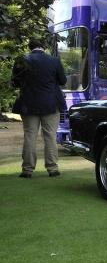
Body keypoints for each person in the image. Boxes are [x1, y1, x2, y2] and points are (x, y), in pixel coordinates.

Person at [11, 39, 67, 178]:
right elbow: (63, 81)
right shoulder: (54, 61)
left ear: (30, 48)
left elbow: (15, 82)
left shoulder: (21, 60)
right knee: (50, 136)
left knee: (30, 136)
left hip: (28, 104)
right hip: (51, 104)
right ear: (43, 47)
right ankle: (52, 169)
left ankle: (27, 170)